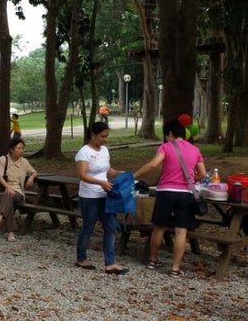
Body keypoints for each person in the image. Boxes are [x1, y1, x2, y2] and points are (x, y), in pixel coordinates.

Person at [133, 119, 207, 278]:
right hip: (186, 194)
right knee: (181, 231)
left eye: (166, 135)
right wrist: (192, 178)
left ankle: (152, 261)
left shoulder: (165, 147)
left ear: (170, 134)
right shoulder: (195, 150)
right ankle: (175, 268)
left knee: (159, 227)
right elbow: (203, 174)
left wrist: (134, 175)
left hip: (166, 191)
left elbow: (153, 165)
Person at [74, 121, 129, 274]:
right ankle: (81, 258)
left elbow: (107, 170)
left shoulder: (104, 150)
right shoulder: (83, 152)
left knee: (110, 227)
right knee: (88, 227)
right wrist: (100, 182)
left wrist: (118, 173)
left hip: (105, 194)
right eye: (102, 136)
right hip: (89, 195)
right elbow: (82, 175)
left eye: (107, 136)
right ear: (93, 135)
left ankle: (110, 263)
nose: (105, 139)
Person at [0, 138, 38, 242]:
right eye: (19, 148)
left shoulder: (24, 162)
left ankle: (0, 217)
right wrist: (8, 187)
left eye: (22, 148)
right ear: (11, 149)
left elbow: (34, 172)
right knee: (9, 198)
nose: (21, 150)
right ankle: (11, 232)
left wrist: (31, 177)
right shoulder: (3, 160)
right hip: (0, 190)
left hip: (18, 191)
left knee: (10, 195)